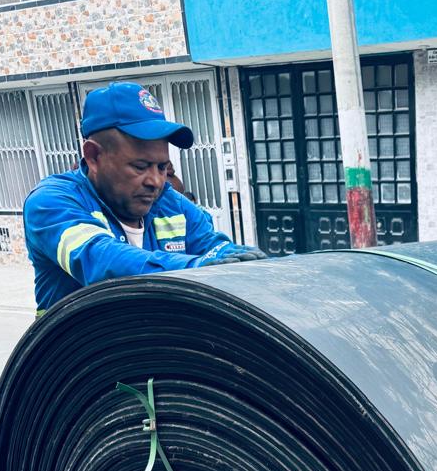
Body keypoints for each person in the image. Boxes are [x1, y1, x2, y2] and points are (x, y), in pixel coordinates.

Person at [24, 82, 265, 313]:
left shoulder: (172, 204)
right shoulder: (51, 202)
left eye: (162, 167)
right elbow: (99, 259)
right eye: (140, 166)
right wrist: (194, 269)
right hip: (76, 352)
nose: (156, 182)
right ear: (93, 156)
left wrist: (254, 265)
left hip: (148, 349)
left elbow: (214, 249)